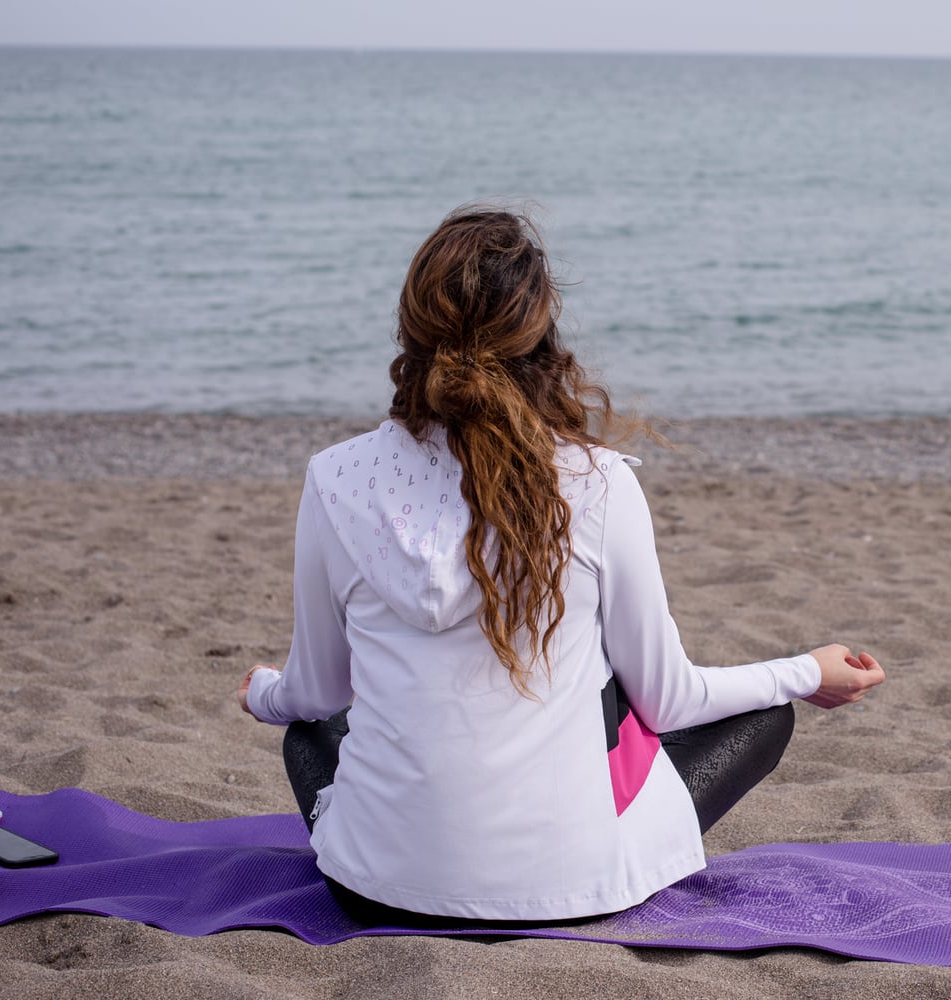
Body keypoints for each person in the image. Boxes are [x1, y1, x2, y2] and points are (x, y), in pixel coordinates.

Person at [233, 207, 884, 926]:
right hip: (572, 891)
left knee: (305, 731)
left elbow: (320, 690)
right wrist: (807, 671)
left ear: (410, 328)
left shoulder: (335, 478)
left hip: (374, 890)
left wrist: (264, 693)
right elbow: (669, 700)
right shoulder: (599, 483)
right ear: (541, 332)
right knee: (761, 715)